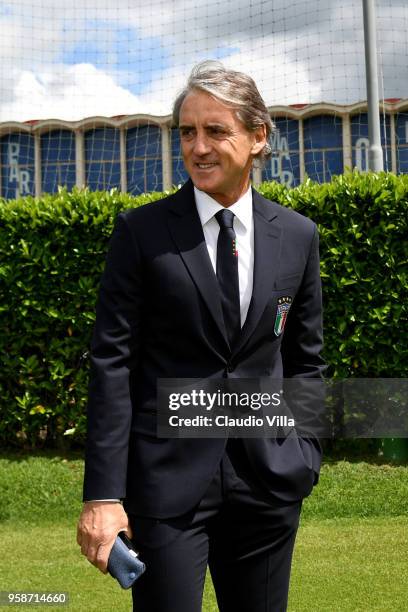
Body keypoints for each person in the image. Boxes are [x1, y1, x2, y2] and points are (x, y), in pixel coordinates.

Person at [77, 60, 325, 612]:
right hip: (165, 489)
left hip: (268, 484)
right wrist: (103, 494)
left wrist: (304, 453)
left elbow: (306, 359)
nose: (198, 147)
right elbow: (112, 366)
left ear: (258, 137)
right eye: (187, 132)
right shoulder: (140, 233)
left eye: (216, 130)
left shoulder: (298, 237)